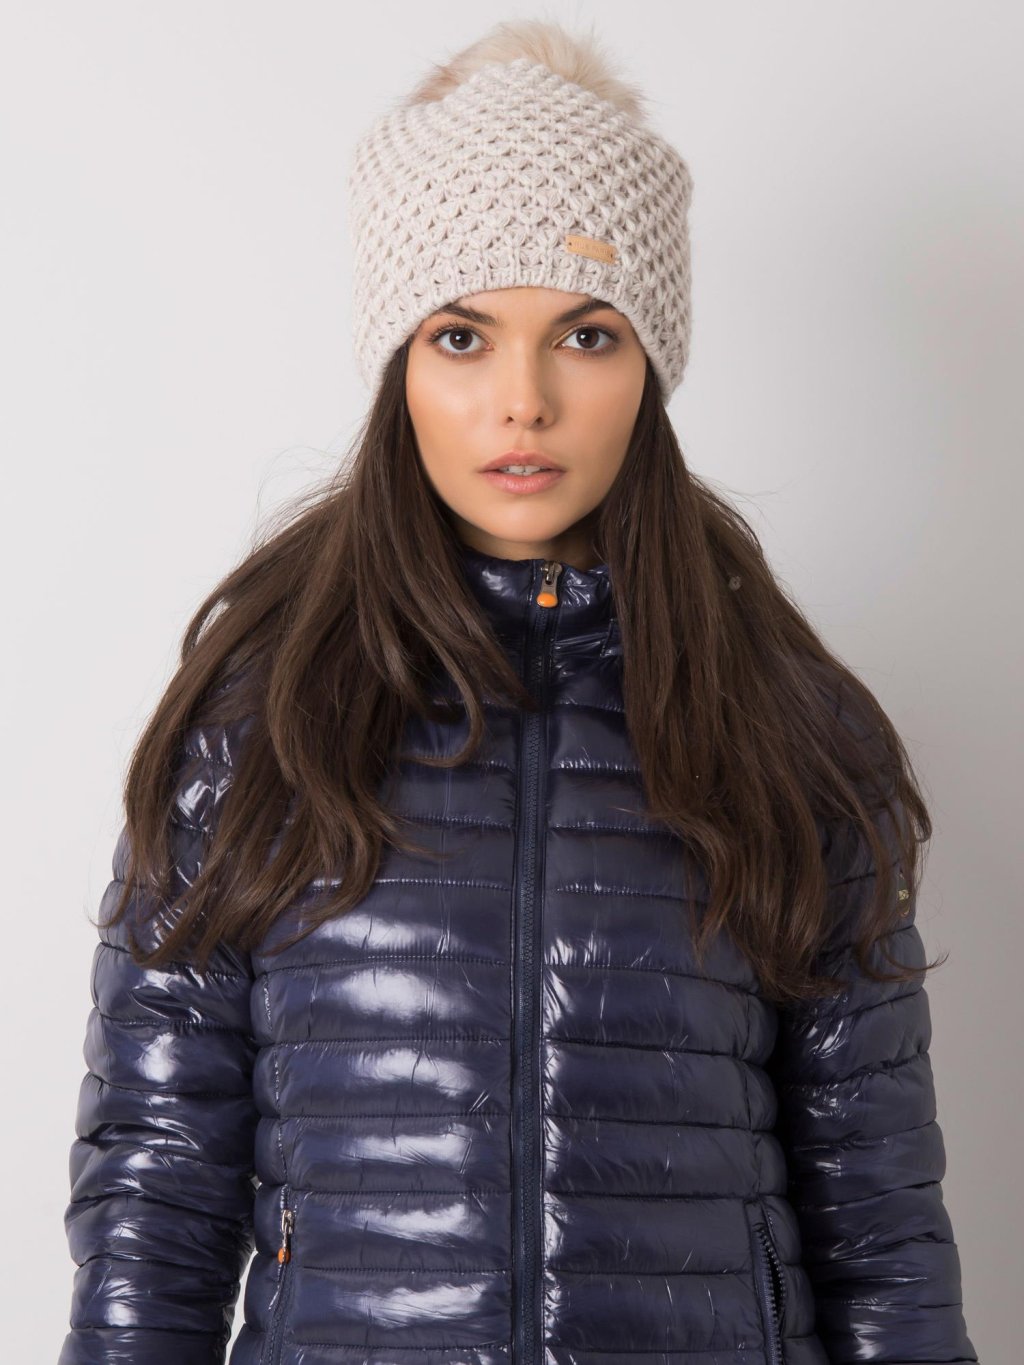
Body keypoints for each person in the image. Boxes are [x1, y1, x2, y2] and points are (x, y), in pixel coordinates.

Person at [59, 17, 978, 1365]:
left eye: (586, 335)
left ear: (651, 363)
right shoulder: (260, 725)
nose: (523, 401)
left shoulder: (787, 728)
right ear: (399, 361)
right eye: (463, 335)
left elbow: (879, 1227)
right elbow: (156, 1201)